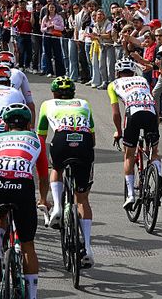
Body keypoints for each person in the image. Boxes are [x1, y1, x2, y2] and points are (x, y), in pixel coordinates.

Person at [0, 103, 49, 299]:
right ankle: (32, 295)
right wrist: (43, 199)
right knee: (28, 245)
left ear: (5, 125)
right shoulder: (36, 139)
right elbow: (43, 175)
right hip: (22, 189)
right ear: (29, 124)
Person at [37, 77, 96, 267]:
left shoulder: (47, 104)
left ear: (54, 93)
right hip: (84, 143)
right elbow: (93, 138)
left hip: (61, 141)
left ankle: (58, 208)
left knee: (57, 168)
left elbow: (41, 137)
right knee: (82, 199)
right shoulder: (84, 104)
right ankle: (87, 247)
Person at [109, 59, 162, 208]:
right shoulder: (143, 80)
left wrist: (119, 132)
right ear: (133, 72)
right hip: (151, 113)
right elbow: (152, 101)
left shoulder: (113, 85)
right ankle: (158, 176)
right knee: (154, 151)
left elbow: (116, 114)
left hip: (133, 114)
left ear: (117, 73)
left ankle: (131, 195)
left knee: (129, 155)